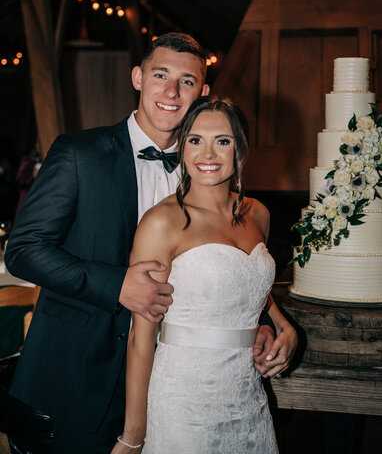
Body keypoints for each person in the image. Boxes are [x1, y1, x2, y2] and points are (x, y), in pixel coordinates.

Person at [5, 34, 297, 454]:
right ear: (138, 77)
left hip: (178, 383)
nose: (172, 92)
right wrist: (117, 284)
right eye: (160, 75)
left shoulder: (207, 164)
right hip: (81, 377)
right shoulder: (79, 154)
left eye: (187, 81)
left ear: (203, 92)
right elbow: (23, 248)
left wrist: (265, 323)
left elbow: (229, 270)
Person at [112, 96, 288, 453]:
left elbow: (244, 285)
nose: (207, 154)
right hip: (183, 402)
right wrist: (133, 437)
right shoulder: (162, 223)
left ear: (240, 148)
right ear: (182, 147)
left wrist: (282, 327)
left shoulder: (258, 214)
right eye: (195, 140)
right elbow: (141, 338)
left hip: (248, 398)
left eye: (222, 141)